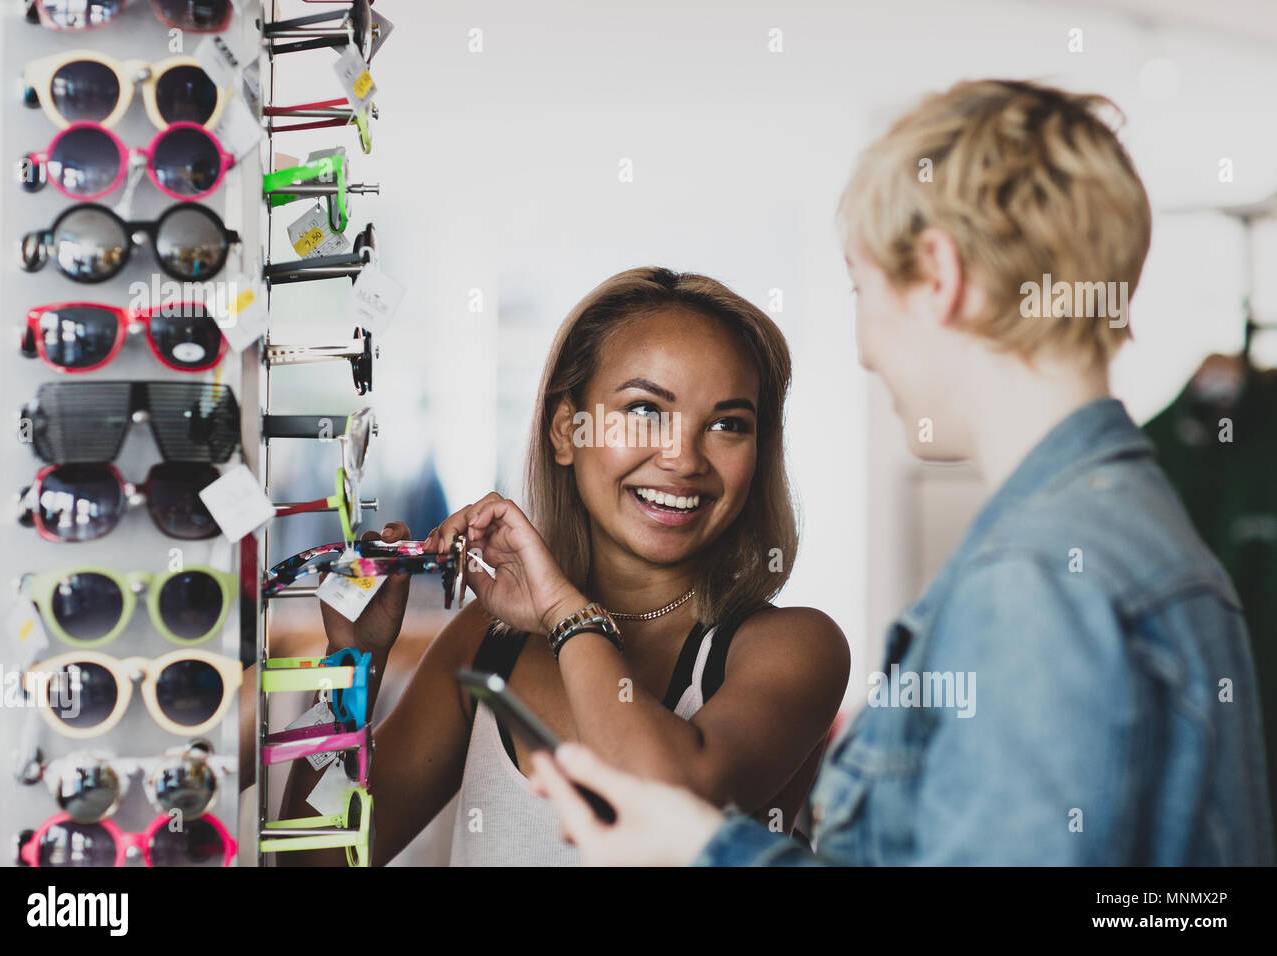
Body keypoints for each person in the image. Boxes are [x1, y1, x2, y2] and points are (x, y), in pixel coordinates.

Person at [530, 78, 1275, 866]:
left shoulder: (1038, 578)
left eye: (863, 290)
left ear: (939, 274)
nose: (863, 349)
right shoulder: (1131, 529)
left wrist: (708, 853)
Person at [277, 267, 850, 865]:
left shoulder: (793, 647)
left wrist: (563, 611)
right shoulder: (486, 643)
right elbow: (310, 861)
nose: (684, 460)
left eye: (728, 424)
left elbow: (667, 800)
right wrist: (352, 666)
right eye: (646, 409)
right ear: (565, 431)